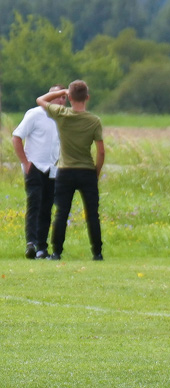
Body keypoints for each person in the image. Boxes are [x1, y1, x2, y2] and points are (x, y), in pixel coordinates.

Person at [36, 80, 105, 261]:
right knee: (92, 214)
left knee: (61, 212)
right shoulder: (94, 121)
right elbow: (101, 151)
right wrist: (95, 172)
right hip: (87, 170)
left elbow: (40, 100)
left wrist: (63, 91)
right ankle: (97, 252)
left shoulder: (62, 114)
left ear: (69, 97)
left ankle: (57, 252)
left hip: (65, 171)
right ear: (87, 98)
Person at [12, 84, 66, 259]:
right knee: (34, 203)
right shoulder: (34, 114)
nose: (61, 100)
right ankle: (31, 243)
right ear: (49, 97)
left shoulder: (62, 118)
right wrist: (26, 163)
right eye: (57, 96)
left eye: (63, 97)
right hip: (34, 166)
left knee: (47, 207)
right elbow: (17, 136)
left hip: (52, 168)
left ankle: (42, 248)